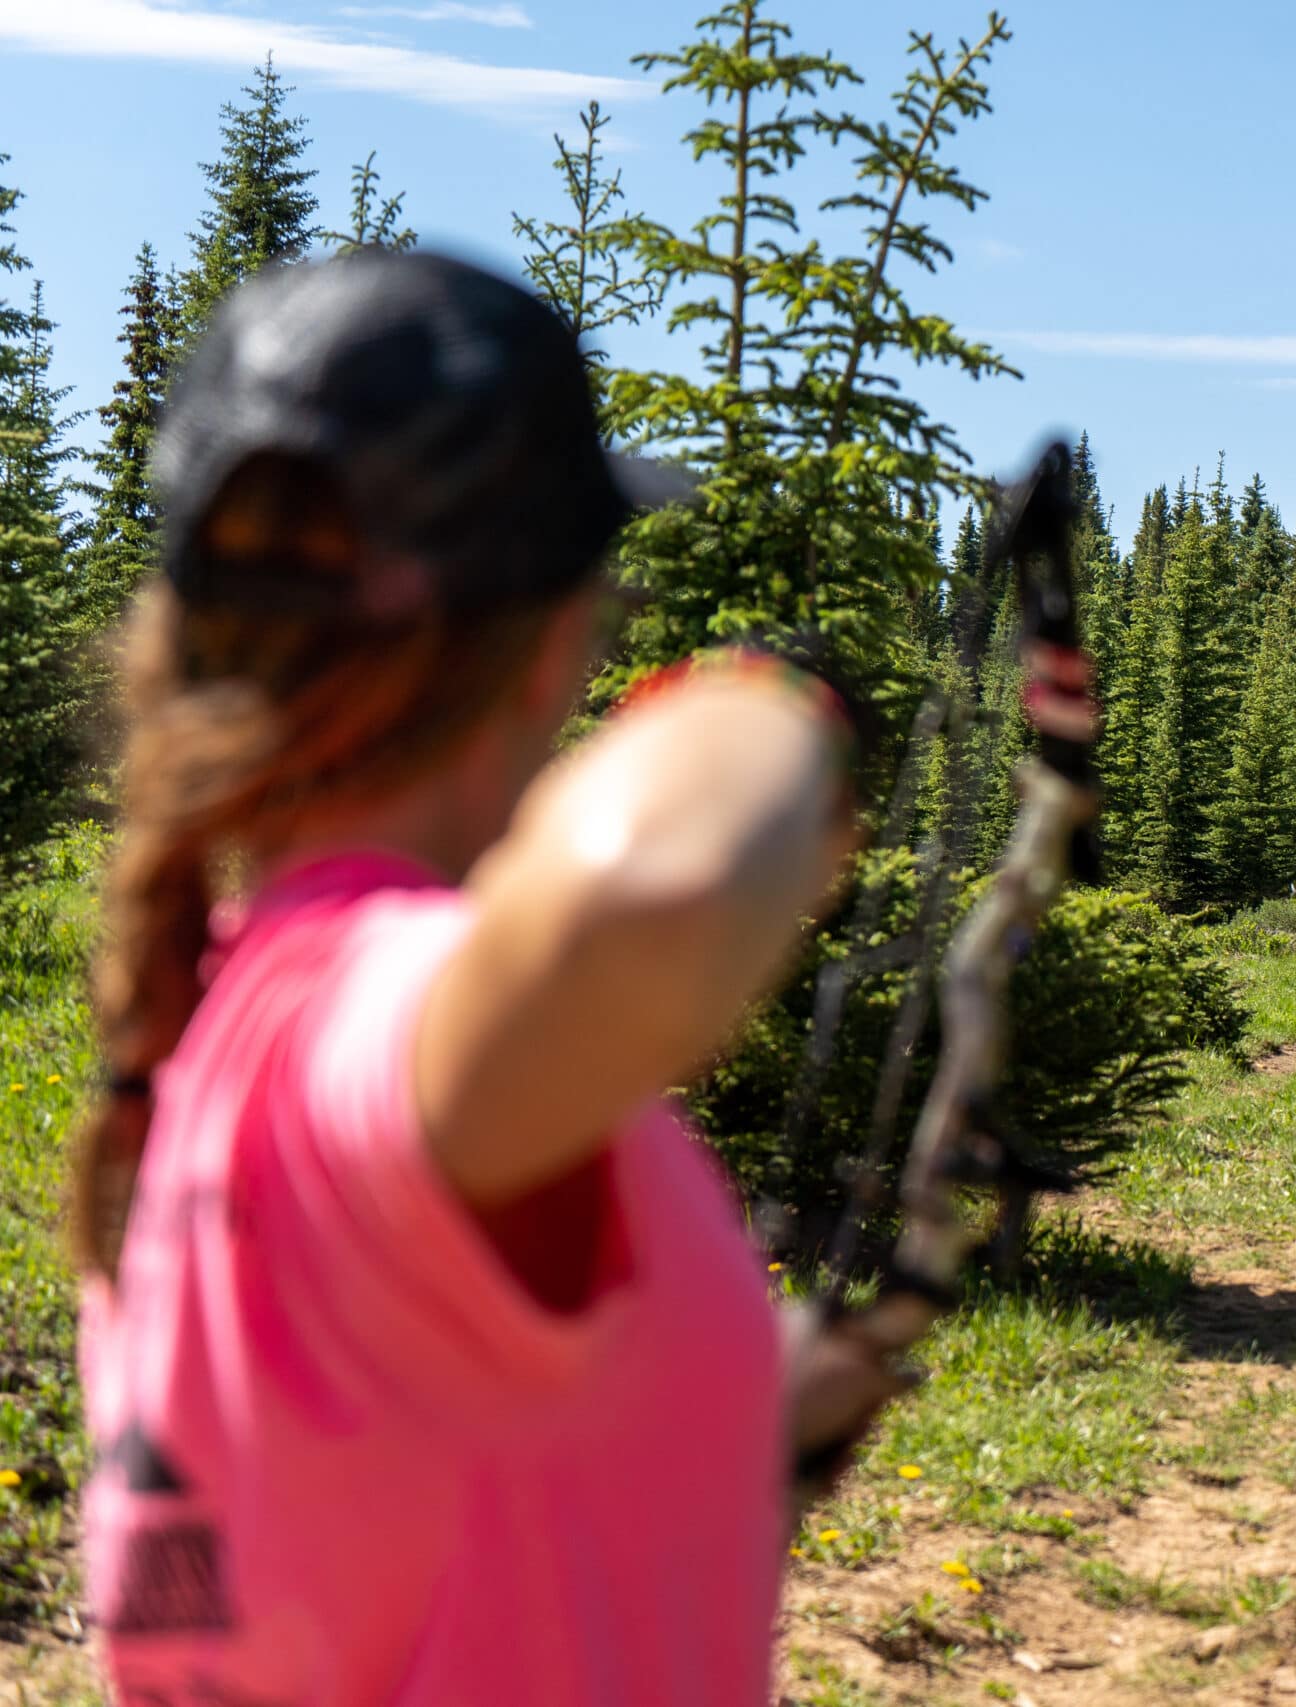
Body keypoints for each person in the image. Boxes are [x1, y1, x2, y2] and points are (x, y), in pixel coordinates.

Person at [73, 250, 901, 1705]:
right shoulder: (367, 1019)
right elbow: (656, 896)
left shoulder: (195, 1039)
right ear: (550, 640)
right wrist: (778, 702)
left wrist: (734, 1415)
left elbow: (358, 1502)